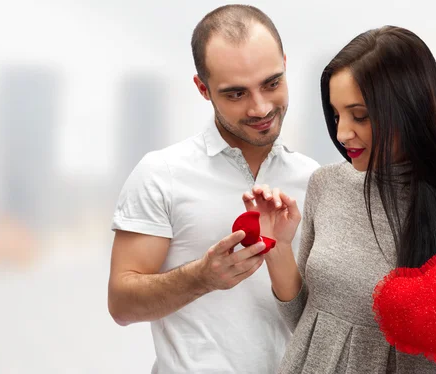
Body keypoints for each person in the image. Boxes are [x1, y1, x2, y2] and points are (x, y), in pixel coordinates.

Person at [243, 26, 436, 373]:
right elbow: (305, 322)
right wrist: (280, 247)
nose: (343, 133)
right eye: (335, 115)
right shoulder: (326, 184)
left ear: (410, 109)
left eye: (359, 115)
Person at [107, 4, 319, 374]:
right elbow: (122, 304)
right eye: (236, 94)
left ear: (285, 64)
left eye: (272, 82)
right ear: (203, 89)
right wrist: (201, 277)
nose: (261, 107)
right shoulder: (161, 174)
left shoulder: (316, 179)